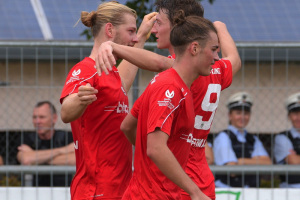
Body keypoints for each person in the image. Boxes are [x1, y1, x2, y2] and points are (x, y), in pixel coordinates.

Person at [96, 1, 241, 199]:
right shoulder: (212, 70)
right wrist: (219, 26)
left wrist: (115, 46)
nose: (154, 28)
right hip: (198, 179)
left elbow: (158, 63)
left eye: (159, 22)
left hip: (174, 180)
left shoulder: (180, 73)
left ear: (177, 26)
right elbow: (234, 59)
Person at [60, 1, 158, 199]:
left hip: (119, 186)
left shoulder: (110, 72)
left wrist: (141, 37)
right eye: (130, 31)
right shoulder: (87, 69)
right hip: (96, 189)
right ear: (110, 30)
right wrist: (79, 98)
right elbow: (65, 112)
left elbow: (122, 82)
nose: (133, 37)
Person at [121, 11, 219, 200]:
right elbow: (156, 148)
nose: (216, 57)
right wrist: (195, 192)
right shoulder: (170, 87)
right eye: (214, 49)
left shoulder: (174, 85)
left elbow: (127, 126)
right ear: (195, 48)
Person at [213, 92, 272, 188]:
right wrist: (255, 161)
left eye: (246, 113)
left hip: (251, 191)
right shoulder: (223, 137)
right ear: (229, 115)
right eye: (238, 113)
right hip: (229, 192)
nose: (242, 117)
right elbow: (232, 170)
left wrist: (241, 161)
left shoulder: (253, 138)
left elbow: (268, 163)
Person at [17, 101, 75, 187]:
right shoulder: (27, 138)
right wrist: (63, 150)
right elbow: (26, 159)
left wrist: (36, 157)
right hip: (35, 191)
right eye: (34, 117)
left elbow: (74, 160)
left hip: (63, 191)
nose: (37, 121)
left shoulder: (67, 137)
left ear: (54, 118)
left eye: (42, 117)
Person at [274, 92, 300, 188]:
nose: (299, 118)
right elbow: (292, 160)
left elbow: (296, 160)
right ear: (289, 116)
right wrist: (294, 158)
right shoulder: (282, 137)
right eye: (295, 113)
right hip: (290, 190)